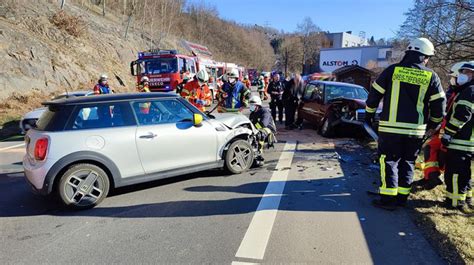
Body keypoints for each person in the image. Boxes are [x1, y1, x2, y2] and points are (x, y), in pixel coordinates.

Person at [364, 37, 446, 210]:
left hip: (390, 128)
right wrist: (433, 124)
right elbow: (439, 105)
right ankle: (402, 199)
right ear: (424, 56)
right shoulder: (432, 76)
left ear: (408, 52)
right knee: (408, 162)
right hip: (416, 131)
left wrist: (369, 115)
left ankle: (387, 200)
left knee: (389, 161)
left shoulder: (393, 70)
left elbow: (374, 94)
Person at [415, 61, 468, 189]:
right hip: (446, 129)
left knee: (441, 153)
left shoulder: (465, 92)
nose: (451, 80)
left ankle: (432, 177)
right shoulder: (457, 91)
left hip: (454, 133)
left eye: (453, 77)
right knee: (431, 148)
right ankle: (431, 176)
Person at [440, 62, 473, 211]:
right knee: (465, 172)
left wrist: (449, 133)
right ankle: (467, 198)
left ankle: (454, 202)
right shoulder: (468, 90)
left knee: (454, 172)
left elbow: (462, 114)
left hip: (461, 140)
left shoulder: (469, 90)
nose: (462, 74)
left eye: (466, 71)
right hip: (468, 141)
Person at [248, 95, 277, 165]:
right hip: (259, 128)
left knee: (259, 134)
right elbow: (251, 124)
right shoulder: (252, 114)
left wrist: (255, 128)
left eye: (253, 105)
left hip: (269, 129)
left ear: (257, 105)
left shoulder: (264, 112)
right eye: (250, 105)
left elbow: (263, 124)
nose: (251, 106)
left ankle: (259, 156)